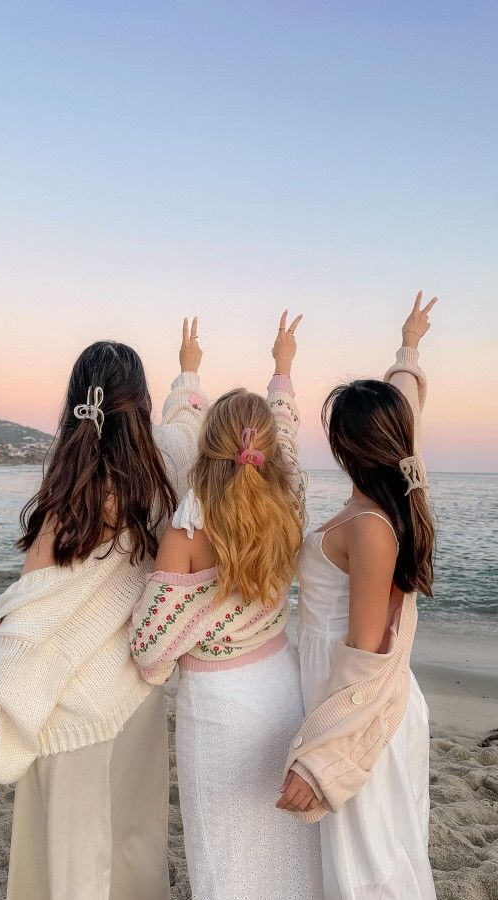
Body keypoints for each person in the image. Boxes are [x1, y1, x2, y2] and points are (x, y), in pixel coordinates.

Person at [0, 319, 207, 900]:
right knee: (132, 840)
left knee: (71, 861)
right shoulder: (164, 472)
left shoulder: (69, 505)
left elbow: (26, 632)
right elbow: (188, 427)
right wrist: (189, 368)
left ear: (74, 406)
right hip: (134, 698)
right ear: (139, 407)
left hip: (69, 714)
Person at [130, 312, 323, 900]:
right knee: (288, 852)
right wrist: (282, 367)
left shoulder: (186, 532)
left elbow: (151, 652)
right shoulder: (287, 501)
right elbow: (283, 427)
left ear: (206, 451)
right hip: (282, 685)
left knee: (225, 855)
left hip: (219, 711)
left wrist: (189, 373)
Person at [278, 292, 438, 900]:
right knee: (369, 852)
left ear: (347, 446)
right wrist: (409, 347)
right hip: (345, 693)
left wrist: (324, 757)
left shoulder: (370, 527)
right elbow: (408, 407)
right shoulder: (375, 505)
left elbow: (366, 655)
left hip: (360, 709)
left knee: (370, 867)